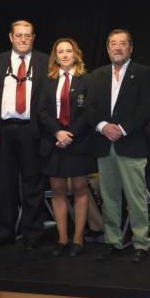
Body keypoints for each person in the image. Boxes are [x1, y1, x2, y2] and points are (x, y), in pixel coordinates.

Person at [86, 29, 150, 264]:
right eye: (113, 44)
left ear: (130, 48)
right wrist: (103, 126)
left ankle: (141, 243)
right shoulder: (96, 74)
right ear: (107, 49)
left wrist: (122, 128)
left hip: (131, 143)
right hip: (104, 144)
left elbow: (146, 108)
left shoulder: (143, 73)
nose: (117, 47)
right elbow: (90, 107)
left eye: (122, 43)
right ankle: (112, 241)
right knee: (109, 198)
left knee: (135, 198)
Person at [0, 20, 49, 250]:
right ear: (10, 37)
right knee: (6, 184)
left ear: (33, 37)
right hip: (4, 130)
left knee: (33, 183)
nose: (23, 39)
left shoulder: (45, 61)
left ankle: (32, 234)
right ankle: (5, 231)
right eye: (18, 35)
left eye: (27, 36)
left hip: (32, 129)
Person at [37, 37, 96, 257]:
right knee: (58, 191)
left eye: (68, 51)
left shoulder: (87, 80)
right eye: (60, 51)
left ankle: (78, 239)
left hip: (79, 142)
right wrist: (57, 132)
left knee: (80, 190)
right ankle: (62, 239)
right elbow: (41, 110)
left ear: (75, 54)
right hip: (54, 142)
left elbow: (90, 111)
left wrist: (71, 134)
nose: (64, 55)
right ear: (55, 56)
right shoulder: (47, 80)